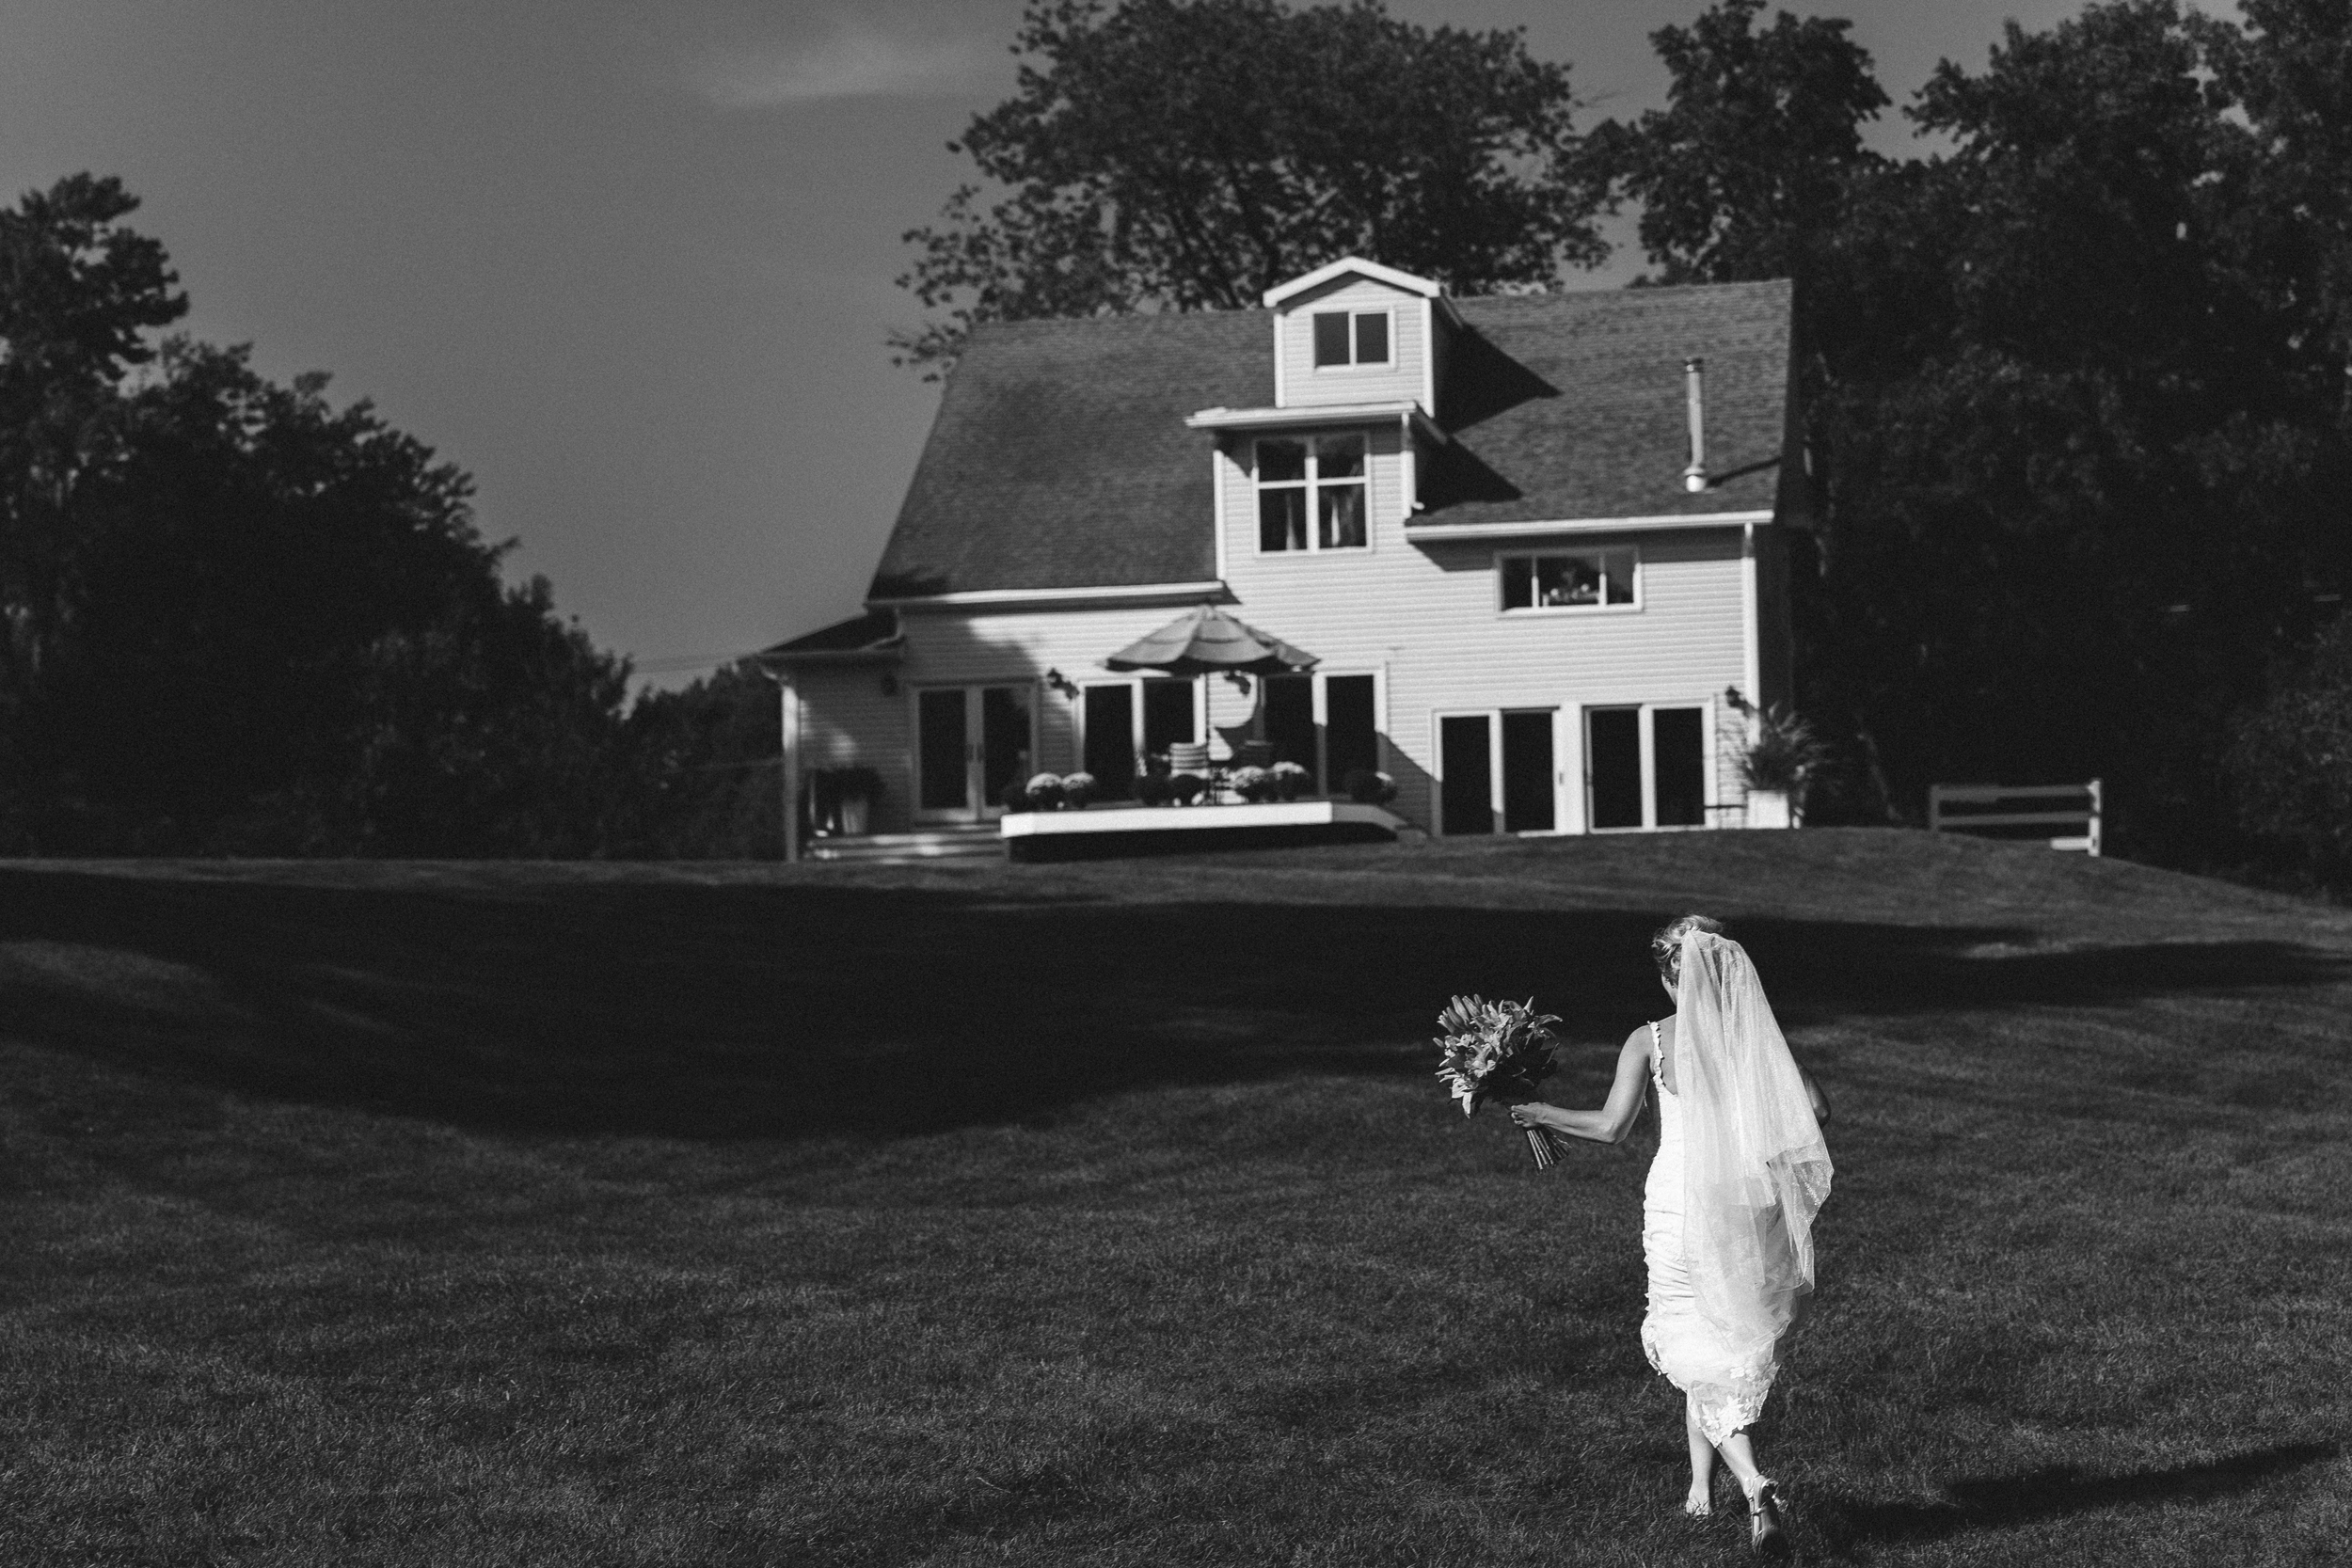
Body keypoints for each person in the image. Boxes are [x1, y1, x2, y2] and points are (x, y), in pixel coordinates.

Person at [1510, 915, 1833, 1557]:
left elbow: (1610, 1127)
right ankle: (1699, 1488)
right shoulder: (1751, 1036)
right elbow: (1816, 1110)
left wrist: (1540, 1111)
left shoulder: (1649, 1039)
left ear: (1666, 976)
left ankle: (1752, 1482)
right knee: (1714, 1339)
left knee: (1688, 1338)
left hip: (1678, 1206)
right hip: (1742, 1200)